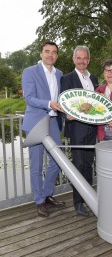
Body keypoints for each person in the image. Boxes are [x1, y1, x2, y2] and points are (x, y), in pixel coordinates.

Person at [22, 41, 65, 217]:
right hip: (35, 123)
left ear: (57, 55)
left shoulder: (60, 74)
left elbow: (62, 98)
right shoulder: (29, 72)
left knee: (57, 161)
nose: (50, 55)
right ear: (40, 54)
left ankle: (47, 195)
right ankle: (39, 201)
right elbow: (30, 98)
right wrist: (49, 103)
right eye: (47, 51)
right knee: (36, 165)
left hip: (53, 122)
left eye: (54, 52)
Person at [60, 45, 98, 217]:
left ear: (88, 60)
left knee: (89, 164)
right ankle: (78, 203)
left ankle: (89, 198)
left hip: (92, 129)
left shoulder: (95, 78)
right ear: (74, 59)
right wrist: (66, 114)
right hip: (76, 129)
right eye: (79, 58)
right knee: (78, 165)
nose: (82, 61)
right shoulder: (67, 78)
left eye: (85, 58)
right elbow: (64, 101)